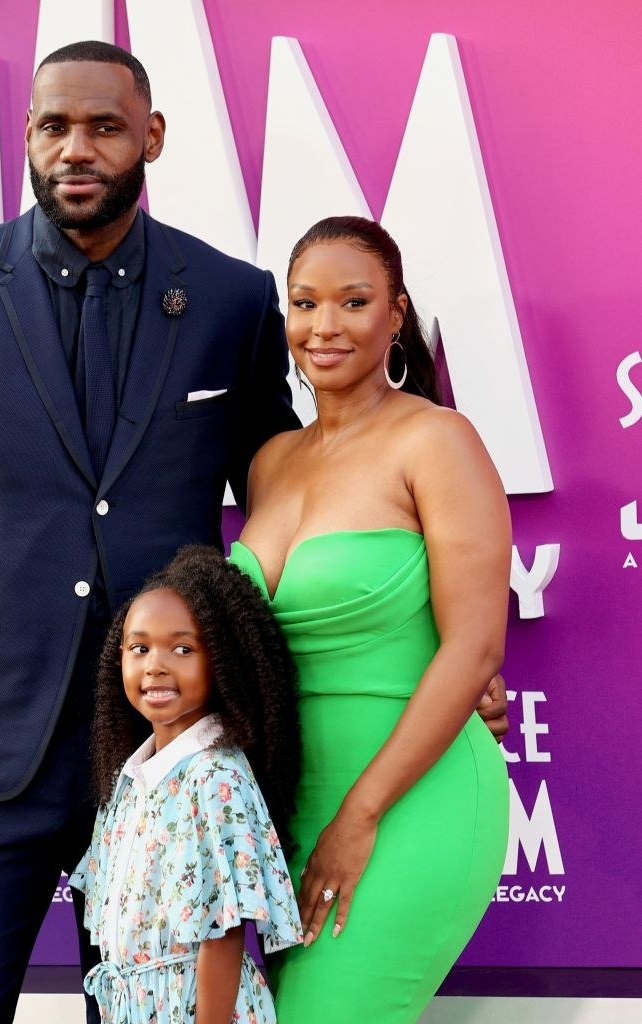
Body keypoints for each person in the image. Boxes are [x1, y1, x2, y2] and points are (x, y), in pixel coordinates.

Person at [0, 41, 299, 1023]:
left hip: (160, 755)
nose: (75, 149)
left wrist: (449, 646)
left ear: (153, 137)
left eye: (102, 126)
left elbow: (292, 505)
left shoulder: (231, 300)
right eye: (53, 126)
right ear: (28, 137)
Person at [229, 216, 512, 1021]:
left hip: (407, 800)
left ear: (394, 315)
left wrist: (360, 816)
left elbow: (473, 646)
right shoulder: (270, 462)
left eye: (353, 302)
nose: (324, 326)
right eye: (304, 303)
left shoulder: (437, 441)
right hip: (289, 809)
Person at [69, 544, 303, 1023]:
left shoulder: (215, 778)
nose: (156, 664)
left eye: (182, 648)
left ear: (219, 660)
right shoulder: (129, 779)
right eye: (140, 648)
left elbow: (221, 932)